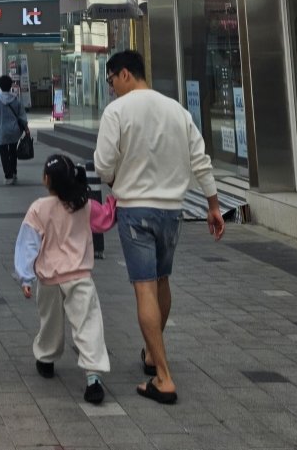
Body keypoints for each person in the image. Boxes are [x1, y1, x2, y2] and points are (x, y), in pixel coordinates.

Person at [94, 50, 225, 405]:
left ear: (123, 74)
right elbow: (200, 158)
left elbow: (104, 166)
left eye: (110, 80)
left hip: (135, 210)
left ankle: (164, 378)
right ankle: (152, 355)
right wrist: (213, 206)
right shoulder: (176, 110)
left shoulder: (117, 112)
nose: (111, 88)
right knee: (162, 281)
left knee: (144, 289)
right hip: (171, 211)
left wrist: (117, 175)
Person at [14, 155, 112, 404]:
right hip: (80, 275)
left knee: (50, 321)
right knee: (88, 324)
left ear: (47, 180)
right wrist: (117, 198)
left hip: (49, 278)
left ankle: (46, 358)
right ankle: (92, 377)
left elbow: (28, 243)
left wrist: (25, 277)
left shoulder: (39, 207)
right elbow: (106, 219)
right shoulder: (84, 205)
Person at [0, 74, 30, 185]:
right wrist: (26, 128)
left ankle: (8, 175)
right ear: (10, 85)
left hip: (2, 130)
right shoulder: (16, 99)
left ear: (0, 86)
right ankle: (14, 172)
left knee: (3, 153)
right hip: (14, 130)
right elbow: (22, 115)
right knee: (13, 152)